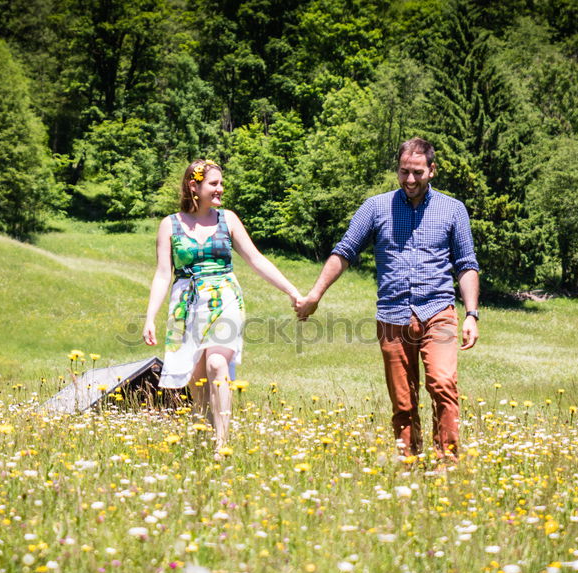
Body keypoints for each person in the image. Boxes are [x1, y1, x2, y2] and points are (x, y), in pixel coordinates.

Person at [295, 138, 480, 465]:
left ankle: (447, 468)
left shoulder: (453, 209)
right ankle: (409, 466)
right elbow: (345, 251)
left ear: (432, 170)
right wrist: (315, 295)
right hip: (393, 315)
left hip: (439, 311)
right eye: (404, 172)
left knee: (442, 383)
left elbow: (466, 264)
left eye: (418, 173)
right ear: (397, 170)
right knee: (404, 402)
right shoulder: (376, 207)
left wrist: (471, 314)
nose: (410, 180)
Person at [144, 159, 302, 445]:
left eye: (221, 184)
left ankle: (221, 444)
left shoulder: (227, 219)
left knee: (217, 364)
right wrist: (149, 317)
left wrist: (292, 291)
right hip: (186, 304)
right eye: (213, 184)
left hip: (224, 298)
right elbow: (162, 274)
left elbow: (256, 259)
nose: (220, 189)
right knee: (196, 378)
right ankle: (201, 438)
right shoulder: (170, 225)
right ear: (194, 186)